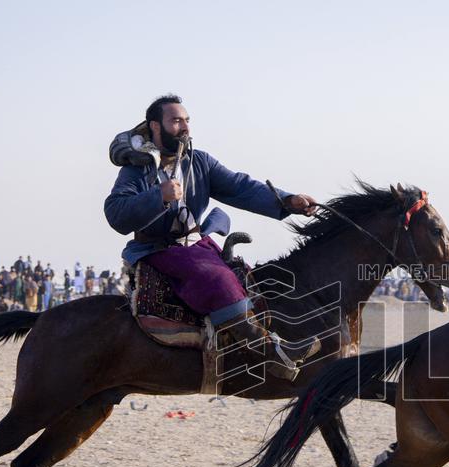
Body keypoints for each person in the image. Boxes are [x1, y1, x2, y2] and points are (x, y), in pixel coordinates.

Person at [105, 94, 321, 380]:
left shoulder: (200, 162)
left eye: (186, 120)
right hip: (158, 250)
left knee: (244, 276)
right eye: (175, 121)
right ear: (155, 126)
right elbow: (115, 211)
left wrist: (287, 200)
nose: (184, 127)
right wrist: (159, 195)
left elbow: (241, 187)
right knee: (217, 279)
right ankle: (269, 352)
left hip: (197, 245)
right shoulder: (135, 170)